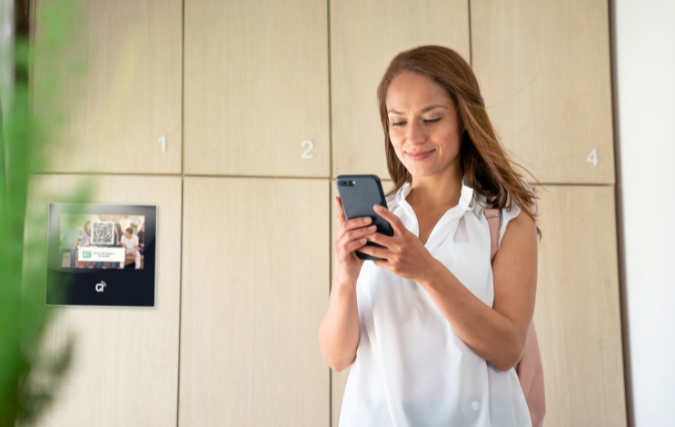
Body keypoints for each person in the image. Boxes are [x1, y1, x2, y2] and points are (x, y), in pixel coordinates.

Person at [318, 46, 540, 427]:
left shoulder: (505, 219)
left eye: (432, 118)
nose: (413, 137)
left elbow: (506, 350)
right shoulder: (377, 215)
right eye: (398, 121)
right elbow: (338, 358)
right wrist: (345, 280)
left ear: (465, 119)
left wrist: (426, 270)